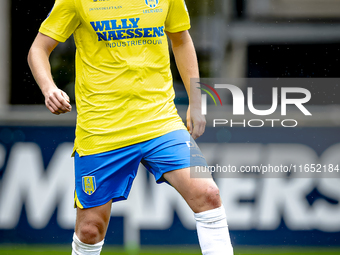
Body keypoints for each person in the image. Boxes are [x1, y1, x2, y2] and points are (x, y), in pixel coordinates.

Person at [28, 0, 233, 254]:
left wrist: (196, 100)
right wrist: (49, 88)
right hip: (102, 128)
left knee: (208, 195)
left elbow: (181, 40)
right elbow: (38, 49)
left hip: (159, 119)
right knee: (90, 230)